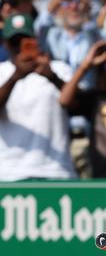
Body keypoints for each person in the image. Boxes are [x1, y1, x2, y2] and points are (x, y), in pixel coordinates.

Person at [0, 13, 75, 181]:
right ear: (5, 44)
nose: (20, 47)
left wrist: (51, 76)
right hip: (9, 173)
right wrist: (15, 76)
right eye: (14, 42)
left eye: (25, 40)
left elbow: (76, 105)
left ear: (35, 39)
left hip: (56, 170)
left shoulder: (58, 68)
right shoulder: (2, 72)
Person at [60, 40, 106, 177]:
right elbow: (64, 100)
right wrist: (85, 66)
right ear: (103, 69)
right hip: (102, 174)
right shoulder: (96, 98)